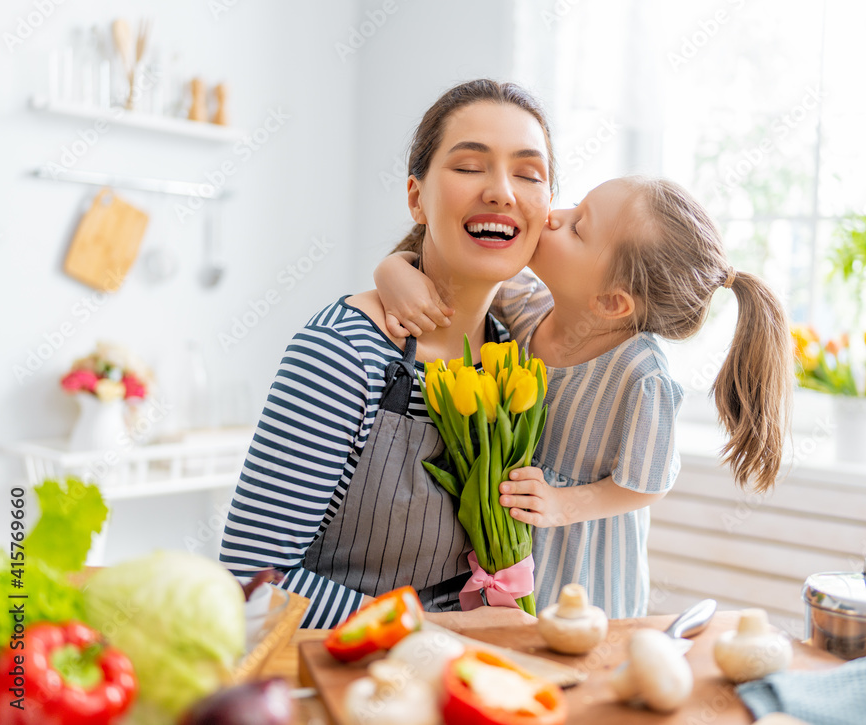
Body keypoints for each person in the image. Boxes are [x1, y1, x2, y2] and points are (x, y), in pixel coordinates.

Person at [375, 176, 793, 618]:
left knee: (575, 659)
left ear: (612, 303)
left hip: (587, 574)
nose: (554, 217)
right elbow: (449, 272)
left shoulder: (642, 375)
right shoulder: (528, 306)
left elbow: (644, 485)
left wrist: (561, 505)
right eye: (574, 207)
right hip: (508, 549)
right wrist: (393, 270)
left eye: (577, 228)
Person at [219, 79, 555, 627]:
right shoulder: (342, 353)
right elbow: (253, 578)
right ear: (416, 198)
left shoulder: (513, 351)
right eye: (470, 166)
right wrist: (438, 632)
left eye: (529, 174)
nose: (502, 191)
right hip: (342, 678)